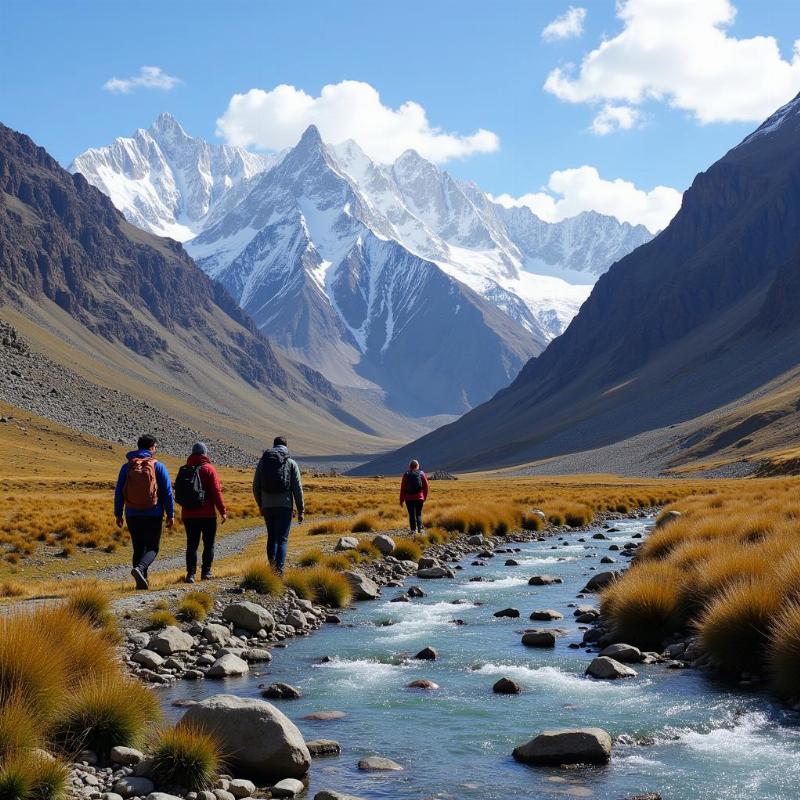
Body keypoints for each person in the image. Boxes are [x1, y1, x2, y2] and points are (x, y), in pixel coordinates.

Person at [114, 434, 174, 590]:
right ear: (151, 447)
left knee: (138, 548)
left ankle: (142, 583)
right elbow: (167, 492)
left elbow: (119, 491)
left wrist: (118, 513)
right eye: (155, 447)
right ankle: (140, 570)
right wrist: (170, 514)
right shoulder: (158, 466)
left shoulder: (127, 467)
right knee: (153, 547)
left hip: (132, 514)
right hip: (153, 513)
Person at [175, 442, 228, 583]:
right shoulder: (209, 469)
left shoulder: (185, 469)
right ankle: (206, 572)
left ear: (192, 453)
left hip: (188, 514)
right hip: (207, 514)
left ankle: (190, 574)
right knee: (208, 544)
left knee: (192, 544)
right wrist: (222, 511)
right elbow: (216, 492)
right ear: (205, 453)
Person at [253, 436, 304, 575]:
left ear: (274, 445)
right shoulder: (291, 462)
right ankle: (279, 572)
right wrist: (301, 510)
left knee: (271, 537)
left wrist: (261, 505)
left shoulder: (263, 462)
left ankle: (272, 569)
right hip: (285, 507)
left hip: (268, 507)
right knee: (282, 539)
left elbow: (255, 486)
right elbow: (297, 488)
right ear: (286, 446)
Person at [400, 459, 429, 533]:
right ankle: (419, 529)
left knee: (411, 514)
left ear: (409, 466)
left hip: (409, 498)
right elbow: (426, 486)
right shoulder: (421, 473)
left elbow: (403, 488)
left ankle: (413, 530)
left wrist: (401, 500)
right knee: (418, 513)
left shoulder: (406, 474)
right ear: (418, 466)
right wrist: (424, 497)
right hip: (419, 498)